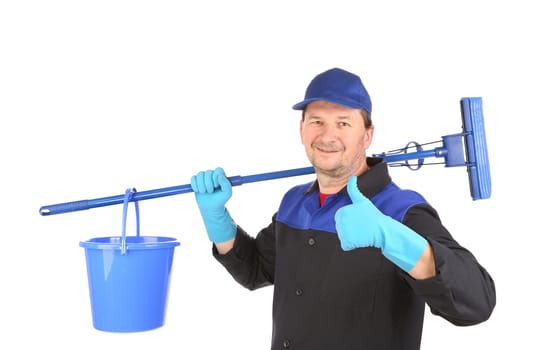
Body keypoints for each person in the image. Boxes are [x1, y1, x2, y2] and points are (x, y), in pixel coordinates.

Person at [190, 67, 496, 350]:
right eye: (317, 121)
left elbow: (478, 302)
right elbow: (256, 270)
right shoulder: (294, 203)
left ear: (367, 135)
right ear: (302, 130)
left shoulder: (401, 210)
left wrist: (391, 236)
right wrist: (216, 217)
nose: (327, 135)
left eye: (343, 123)